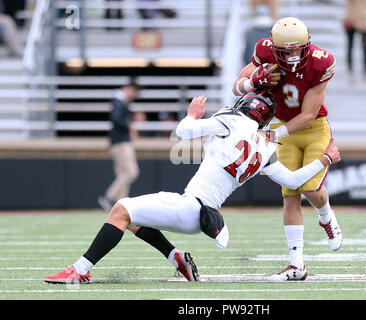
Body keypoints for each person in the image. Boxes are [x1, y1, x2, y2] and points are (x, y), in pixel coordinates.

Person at [44, 90, 341, 284]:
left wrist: (192, 115)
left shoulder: (233, 120)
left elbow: (183, 131)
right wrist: (325, 159)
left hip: (191, 207)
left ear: (245, 107)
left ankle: (79, 270)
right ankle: (177, 259)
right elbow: (293, 182)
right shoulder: (265, 147)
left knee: (120, 209)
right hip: (201, 215)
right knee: (131, 219)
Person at [232, 17, 343, 281]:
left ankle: (326, 216)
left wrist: (272, 133)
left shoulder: (321, 62)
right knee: (290, 195)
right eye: (287, 51)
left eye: (298, 49)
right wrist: (252, 83)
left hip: (313, 128)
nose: (294, 56)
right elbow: (237, 85)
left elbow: (308, 114)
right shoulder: (264, 52)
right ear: (275, 48)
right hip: (282, 127)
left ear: (307, 45)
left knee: (310, 190)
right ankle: (297, 265)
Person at [98, 79, 141, 213]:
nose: (134, 96)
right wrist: (129, 126)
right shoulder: (119, 101)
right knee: (131, 172)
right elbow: (116, 119)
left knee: (123, 173)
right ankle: (109, 197)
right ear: (129, 88)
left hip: (117, 142)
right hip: (121, 142)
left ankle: (120, 204)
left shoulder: (120, 101)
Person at [343, 0, 366, 85]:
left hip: (365, 20)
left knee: (365, 48)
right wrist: (347, 18)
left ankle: (365, 73)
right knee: (350, 47)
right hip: (351, 18)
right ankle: (350, 74)